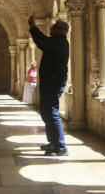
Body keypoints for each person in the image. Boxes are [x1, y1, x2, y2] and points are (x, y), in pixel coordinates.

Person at [28, 15, 69, 156]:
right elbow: (43, 42)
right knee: (46, 113)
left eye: (55, 27)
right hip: (49, 81)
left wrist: (33, 27)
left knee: (51, 113)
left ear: (62, 30)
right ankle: (53, 142)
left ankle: (61, 147)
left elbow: (42, 41)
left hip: (54, 82)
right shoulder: (57, 42)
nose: (51, 28)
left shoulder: (60, 43)